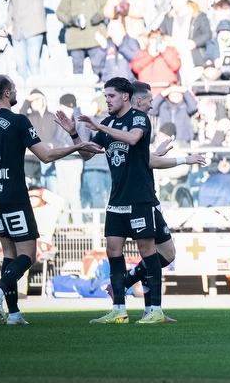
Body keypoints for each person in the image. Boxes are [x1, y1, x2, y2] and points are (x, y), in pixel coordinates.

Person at [0, 74, 98, 325]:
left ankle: (14, 313)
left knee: (9, 253)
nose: (17, 93)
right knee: (28, 254)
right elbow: (46, 156)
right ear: (7, 93)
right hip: (15, 196)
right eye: (14, 89)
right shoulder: (19, 121)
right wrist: (76, 147)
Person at [109, 81, 207, 318]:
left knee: (161, 253)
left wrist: (156, 154)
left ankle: (145, 306)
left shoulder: (135, 124)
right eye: (151, 101)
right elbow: (146, 161)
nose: (153, 105)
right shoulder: (133, 123)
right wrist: (185, 159)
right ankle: (149, 307)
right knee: (158, 252)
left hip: (141, 198)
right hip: (142, 200)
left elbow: (143, 158)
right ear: (138, 100)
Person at [76, 78, 169, 324]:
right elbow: (87, 154)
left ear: (125, 97)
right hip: (117, 199)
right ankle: (119, 309)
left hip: (140, 198)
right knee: (112, 251)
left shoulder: (138, 118)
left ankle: (155, 310)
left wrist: (99, 126)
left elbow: (132, 139)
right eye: (105, 96)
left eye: (111, 96)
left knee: (147, 251)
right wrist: (74, 134)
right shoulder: (107, 123)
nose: (107, 100)